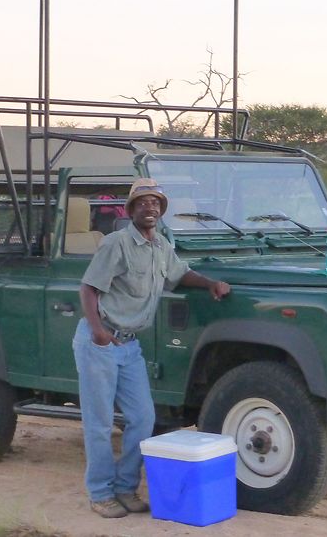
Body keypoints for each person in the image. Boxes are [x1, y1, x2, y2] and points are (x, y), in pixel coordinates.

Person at [74, 177, 231, 519]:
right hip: (101, 340)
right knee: (99, 423)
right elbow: (87, 289)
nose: (151, 208)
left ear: (161, 211)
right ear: (131, 210)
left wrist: (210, 284)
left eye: (156, 203)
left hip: (129, 346)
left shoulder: (161, 245)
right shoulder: (117, 243)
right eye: (143, 202)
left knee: (143, 418)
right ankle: (101, 493)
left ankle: (126, 488)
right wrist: (99, 332)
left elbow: (180, 274)